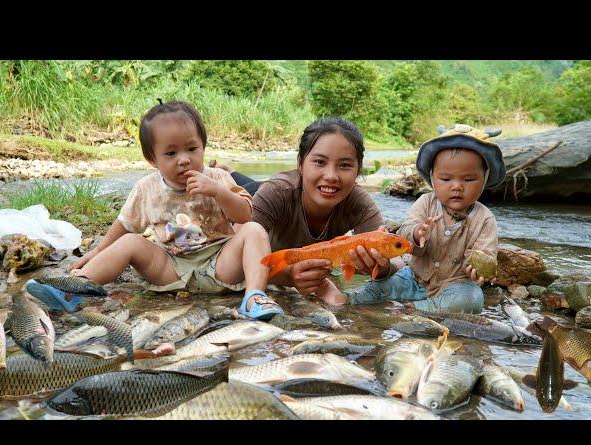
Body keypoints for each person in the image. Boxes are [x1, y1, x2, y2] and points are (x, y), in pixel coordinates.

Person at [25, 100, 283, 320]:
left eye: (192, 149)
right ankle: (74, 288)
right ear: (152, 159)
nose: (184, 159)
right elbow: (124, 226)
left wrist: (217, 191)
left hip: (219, 264)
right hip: (171, 266)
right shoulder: (146, 188)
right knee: (130, 242)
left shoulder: (217, 177)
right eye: (170, 153)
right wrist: (96, 253)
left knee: (254, 230)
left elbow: (244, 216)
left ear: (203, 146)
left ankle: (254, 298)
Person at [319, 124, 506, 313]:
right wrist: (417, 233)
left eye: (468, 180)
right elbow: (403, 237)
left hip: (455, 285)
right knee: (383, 286)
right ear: (432, 178)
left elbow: (485, 253)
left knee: (472, 300)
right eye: (446, 179)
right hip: (413, 278)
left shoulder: (485, 219)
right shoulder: (425, 202)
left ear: (485, 178)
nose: (456, 186)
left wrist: (478, 267)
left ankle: (419, 308)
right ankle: (351, 299)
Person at [216, 117, 393, 299]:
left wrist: (381, 267)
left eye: (345, 165)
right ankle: (227, 171)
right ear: (300, 163)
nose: (331, 176)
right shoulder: (275, 193)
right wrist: (288, 277)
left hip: (292, 189)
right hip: (262, 195)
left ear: (359, 170)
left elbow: (396, 264)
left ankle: (231, 170)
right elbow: (233, 260)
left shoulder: (360, 203)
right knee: (247, 186)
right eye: (319, 162)